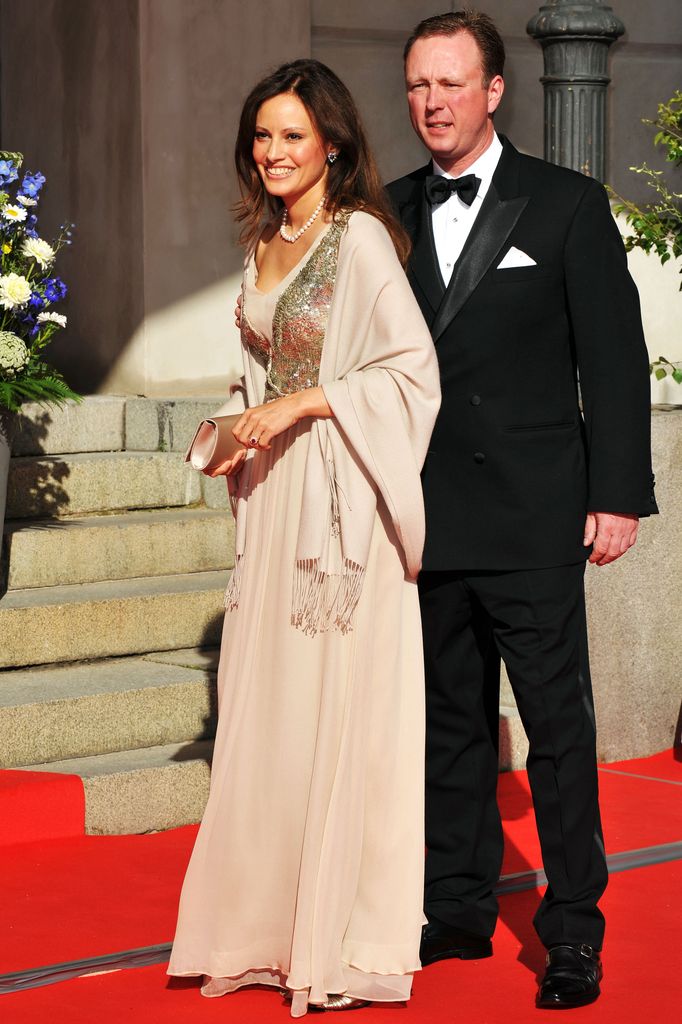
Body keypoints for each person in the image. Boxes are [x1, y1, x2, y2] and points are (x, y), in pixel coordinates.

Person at [386, 10, 657, 1011]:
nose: (433, 102)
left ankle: (573, 929)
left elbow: (614, 360)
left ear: (494, 90)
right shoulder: (388, 212)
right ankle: (454, 903)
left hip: (536, 515)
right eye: (419, 84)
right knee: (447, 726)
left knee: (555, 730)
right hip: (425, 514)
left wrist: (616, 493)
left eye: (451, 83)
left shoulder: (567, 203)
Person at [167, 59, 440, 1017]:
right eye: (263, 136)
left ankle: (337, 940)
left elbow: (411, 374)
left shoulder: (359, 239)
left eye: (293, 135)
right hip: (274, 505)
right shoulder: (262, 246)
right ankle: (264, 932)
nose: (276, 152)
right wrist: (236, 430)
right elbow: (254, 384)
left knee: (334, 717)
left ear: (334, 143)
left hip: (341, 517)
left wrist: (302, 407)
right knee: (268, 718)